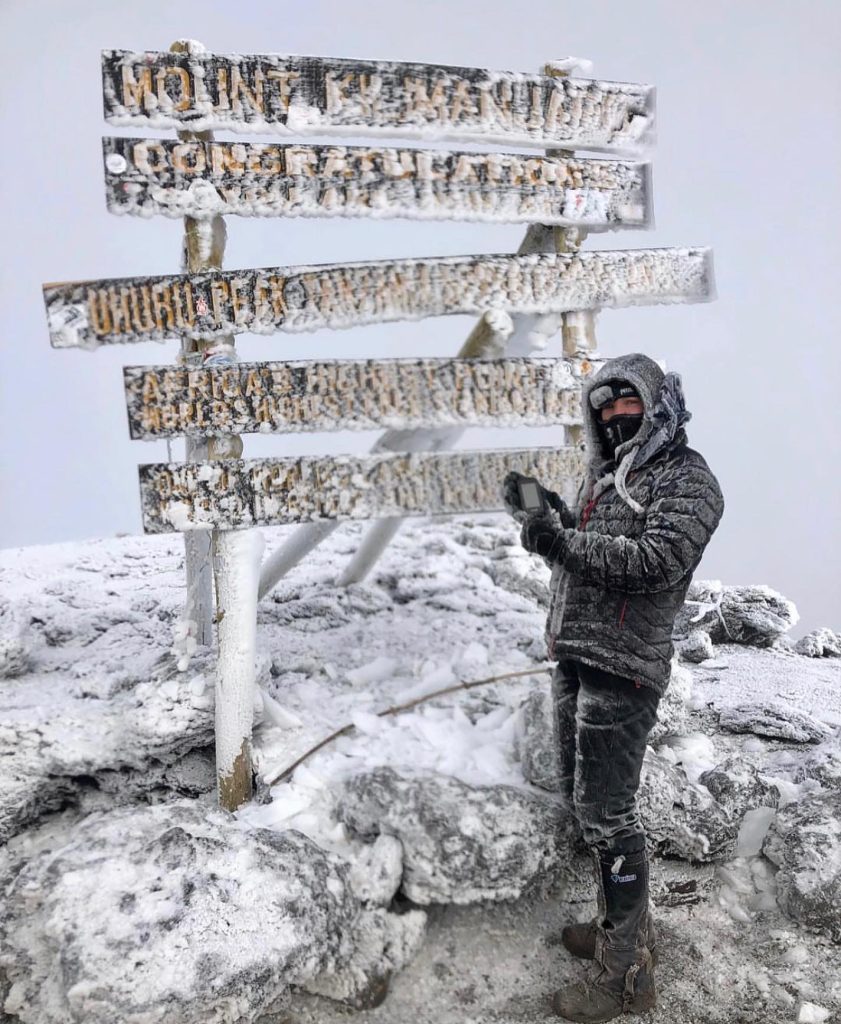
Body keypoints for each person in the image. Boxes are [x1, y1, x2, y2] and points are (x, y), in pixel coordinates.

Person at [502, 352, 724, 1022]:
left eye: (628, 403)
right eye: (603, 407)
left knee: (608, 816)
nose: (614, 415)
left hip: (623, 670)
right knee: (589, 807)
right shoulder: (607, 478)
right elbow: (594, 548)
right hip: (577, 656)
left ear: (657, 406)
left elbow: (651, 563)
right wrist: (553, 515)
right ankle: (621, 937)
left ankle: (622, 981)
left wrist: (558, 543)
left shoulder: (687, 479)